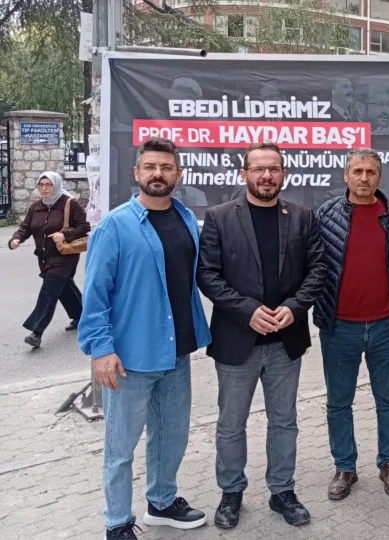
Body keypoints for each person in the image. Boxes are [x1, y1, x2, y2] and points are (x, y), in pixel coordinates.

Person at [78, 137, 212, 540]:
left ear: (178, 174)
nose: (158, 174)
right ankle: (117, 521)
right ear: (136, 173)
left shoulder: (187, 219)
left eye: (166, 167)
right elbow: (95, 295)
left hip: (178, 352)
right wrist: (101, 350)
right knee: (121, 448)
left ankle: (161, 501)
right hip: (130, 358)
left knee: (171, 435)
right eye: (150, 167)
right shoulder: (114, 226)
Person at [196, 142, 325, 530]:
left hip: (286, 343)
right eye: (258, 169)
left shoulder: (303, 217)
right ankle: (231, 491)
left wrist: (294, 307)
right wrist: (247, 311)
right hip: (238, 341)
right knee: (231, 424)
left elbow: (318, 270)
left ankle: (282, 490)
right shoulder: (219, 217)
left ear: (283, 174)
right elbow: (208, 275)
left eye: (274, 169)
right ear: (243, 173)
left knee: (284, 421)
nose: (266, 176)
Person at [314, 147, 389, 500]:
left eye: (370, 172)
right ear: (345, 175)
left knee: (388, 399)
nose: (363, 178)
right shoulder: (326, 215)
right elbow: (313, 267)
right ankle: (345, 466)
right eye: (357, 171)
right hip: (339, 326)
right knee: (338, 402)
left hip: (386, 326)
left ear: (379, 176)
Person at [8, 171, 89, 348]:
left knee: (49, 291)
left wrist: (64, 234)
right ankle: (83, 316)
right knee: (64, 287)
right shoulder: (36, 206)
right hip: (44, 258)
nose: (44, 188)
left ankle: (36, 332)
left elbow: (84, 227)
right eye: (41, 185)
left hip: (65, 256)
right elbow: (25, 228)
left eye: (48, 184)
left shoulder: (69, 204)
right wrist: (16, 239)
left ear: (56, 185)